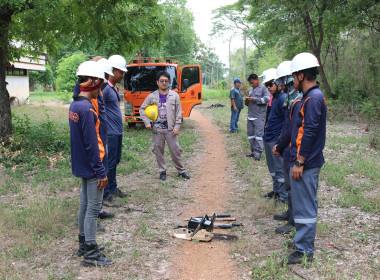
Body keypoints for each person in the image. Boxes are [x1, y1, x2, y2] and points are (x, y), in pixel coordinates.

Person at [69, 61, 114, 267]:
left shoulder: (75, 105)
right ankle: (91, 252)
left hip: (81, 163)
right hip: (93, 165)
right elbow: (92, 143)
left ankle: (83, 244)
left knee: (85, 205)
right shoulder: (87, 109)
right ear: (93, 83)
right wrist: (100, 171)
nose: (101, 90)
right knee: (93, 208)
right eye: (100, 86)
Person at [287, 52, 326, 264]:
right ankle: (302, 242)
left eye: (293, 76)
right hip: (306, 161)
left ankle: (304, 251)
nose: (292, 81)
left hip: (307, 163)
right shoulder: (312, 97)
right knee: (304, 205)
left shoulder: (312, 98)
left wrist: (300, 161)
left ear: (301, 76)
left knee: (305, 208)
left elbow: (309, 131)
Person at [139, 70, 190, 181]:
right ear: (157, 82)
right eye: (161, 81)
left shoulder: (174, 96)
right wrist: (147, 122)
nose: (164, 83)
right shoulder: (152, 96)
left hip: (171, 129)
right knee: (159, 151)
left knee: (175, 151)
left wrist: (177, 126)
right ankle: (162, 171)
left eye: (166, 81)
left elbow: (178, 112)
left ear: (169, 82)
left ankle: (181, 171)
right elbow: (141, 109)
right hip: (157, 130)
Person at [271, 61, 303, 234]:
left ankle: (293, 220)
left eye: (284, 82)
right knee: (289, 186)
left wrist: (281, 144)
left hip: (292, 148)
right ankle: (290, 214)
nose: (282, 86)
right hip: (287, 147)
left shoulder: (297, 100)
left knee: (293, 186)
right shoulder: (291, 98)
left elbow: (291, 126)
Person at [102, 55, 128, 208]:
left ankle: (113, 187)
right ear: (112, 71)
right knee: (109, 163)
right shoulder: (105, 88)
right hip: (110, 133)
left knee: (115, 161)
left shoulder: (113, 88)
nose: (122, 75)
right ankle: (106, 194)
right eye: (120, 72)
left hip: (117, 132)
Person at [261, 68, 287, 203]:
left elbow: (287, 122)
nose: (268, 87)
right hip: (269, 137)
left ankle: (283, 196)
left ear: (278, 83)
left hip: (275, 138)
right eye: (267, 85)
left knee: (279, 169)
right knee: (273, 169)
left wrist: (280, 141)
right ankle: (276, 190)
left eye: (271, 84)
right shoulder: (275, 98)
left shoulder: (282, 98)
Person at [245, 73, 271, 160]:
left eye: (252, 82)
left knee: (258, 135)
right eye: (250, 83)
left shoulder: (264, 88)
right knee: (250, 135)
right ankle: (253, 151)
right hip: (251, 115)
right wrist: (247, 101)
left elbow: (267, 99)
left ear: (257, 80)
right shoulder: (251, 90)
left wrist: (255, 99)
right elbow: (249, 101)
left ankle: (258, 152)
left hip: (259, 116)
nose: (252, 84)